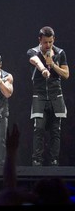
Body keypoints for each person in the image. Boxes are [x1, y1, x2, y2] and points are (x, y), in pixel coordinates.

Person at [27, 26, 69, 166]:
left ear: (53, 40)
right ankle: (37, 160)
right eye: (45, 42)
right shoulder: (33, 51)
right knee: (38, 128)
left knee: (55, 130)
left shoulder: (60, 52)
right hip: (39, 95)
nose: (48, 45)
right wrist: (44, 68)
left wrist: (53, 65)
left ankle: (54, 160)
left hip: (56, 95)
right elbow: (35, 60)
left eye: (50, 42)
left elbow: (66, 74)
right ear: (40, 40)